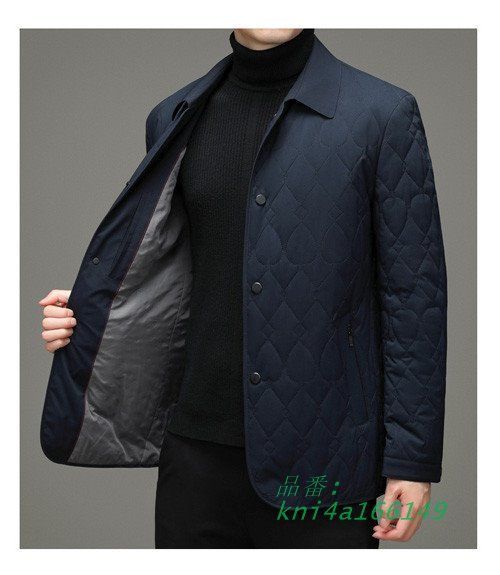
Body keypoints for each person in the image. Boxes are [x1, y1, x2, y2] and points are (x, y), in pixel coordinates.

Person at [39, 29, 447, 549]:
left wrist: (411, 460)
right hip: (194, 457)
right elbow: (174, 273)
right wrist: (95, 312)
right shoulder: (174, 115)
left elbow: (415, 300)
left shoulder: (382, 113)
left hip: (326, 459)